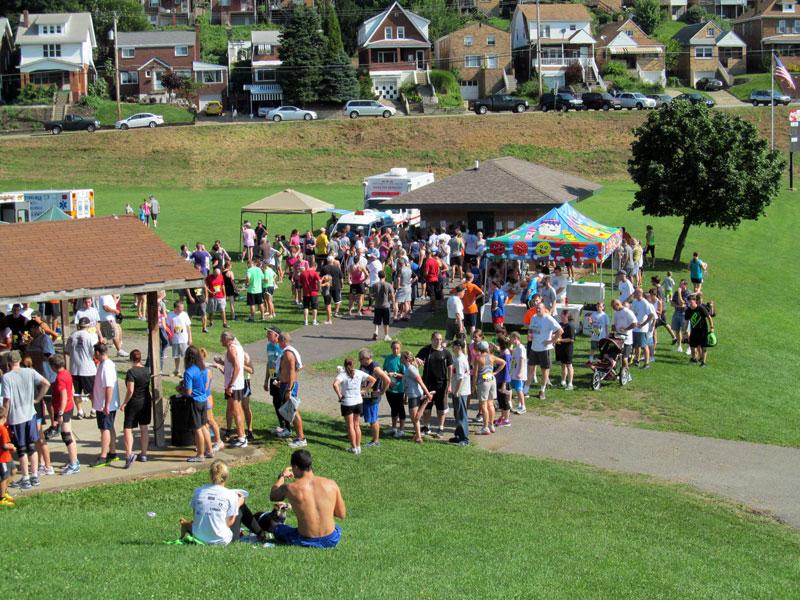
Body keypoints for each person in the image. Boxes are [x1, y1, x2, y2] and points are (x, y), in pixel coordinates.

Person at [269, 450, 346, 548]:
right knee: (337, 527)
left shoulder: (290, 488)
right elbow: (341, 514)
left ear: (296, 467)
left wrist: (282, 476)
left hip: (305, 539)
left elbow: (273, 495)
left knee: (277, 528)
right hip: (330, 539)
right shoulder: (331, 484)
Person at [183, 460, 266, 545]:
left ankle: (260, 533)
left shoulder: (198, 491)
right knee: (241, 507)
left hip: (198, 537)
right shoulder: (230, 495)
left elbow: (196, 516)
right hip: (221, 540)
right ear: (227, 477)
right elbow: (229, 523)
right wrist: (238, 505)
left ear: (211, 475)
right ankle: (260, 533)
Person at [2, 351, 50, 490]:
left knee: (21, 449)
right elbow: (46, 383)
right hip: (30, 414)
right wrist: (37, 399)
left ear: (9, 363)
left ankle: (25, 477)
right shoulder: (30, 372)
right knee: (32, 446)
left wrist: (4, 416)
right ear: (20, 360)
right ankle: (34, 475)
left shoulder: (7, 377)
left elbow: (7, 400)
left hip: (16, 417)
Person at [333, 358, 375, 454]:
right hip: (358, 402)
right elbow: (373, 380)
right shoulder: (359, 373)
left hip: (347, 403)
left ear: (344, 365)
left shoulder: (342, 375)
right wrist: (365, 390)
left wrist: (339, 395)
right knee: (357, 425)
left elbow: (335, 384)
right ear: (354, 365)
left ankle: (353, 448)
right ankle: (358, 447)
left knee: (350, 426)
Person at [46, 354, 79, 475]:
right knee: (69, 433)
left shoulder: (60, 378)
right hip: (69, 407)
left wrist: (60, 413)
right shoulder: (66, 373)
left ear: (53, 366)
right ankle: (73, 459)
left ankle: (74, 464)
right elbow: (72, 390)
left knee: (66, 436)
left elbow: (64, 397)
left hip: (64, 409)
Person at [416, 332, 453, 437]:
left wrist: (449, 384)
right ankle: (426, 426)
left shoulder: (446, 353)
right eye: (436, 339)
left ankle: (441, 428)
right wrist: (417, 360)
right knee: (426, 408)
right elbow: (415, 361)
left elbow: (450, 368)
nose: (439, 341)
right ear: (432, 339)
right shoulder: (426, 350)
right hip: (427, 385)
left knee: (441, 409)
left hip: (441, 386)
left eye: (440, 339)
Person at [119, 350, 152, 468]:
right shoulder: (146, 370)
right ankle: (143, 454)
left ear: (131, 359)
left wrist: (124, 403)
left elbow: (130, 390)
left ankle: (129, 455)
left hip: (133, 403)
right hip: (146, 401)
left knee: (128, 428)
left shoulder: (131, 372)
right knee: (144, 427)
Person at [91, 343, 120, 468]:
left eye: (94, 352)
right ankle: (112, 452)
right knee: (109, 427)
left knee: (105, 429)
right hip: (104, 403)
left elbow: (109, 387)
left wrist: (106, 405)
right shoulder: (105, 364)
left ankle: (103, 456)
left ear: (98, 352)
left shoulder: (106, 366)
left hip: (105, 405)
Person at [527, 302, 563, 401]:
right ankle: (525, 391)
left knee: (544, 371)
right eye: (536, 308)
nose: (537, 310)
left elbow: (560, 331)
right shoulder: (534, 317)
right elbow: (530, 329)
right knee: (530, 369)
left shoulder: (548, 319)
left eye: (539, 308)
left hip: (544, 349)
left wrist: (552, 341)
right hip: (534, 348)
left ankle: (542, 391)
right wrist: (529, 336)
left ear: (544, 309)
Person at [277, 332, 307, 449]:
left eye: (279, 340)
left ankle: (301, 438)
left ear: (283, 341)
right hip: (285, 384)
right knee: (290, 411)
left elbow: (292, 373)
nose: (278, 342)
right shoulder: (286, 353)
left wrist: (289, 389)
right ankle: (296, 435)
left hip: (289, 386)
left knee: (293, 411)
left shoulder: (289, 354)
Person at [357, 348, 391, 448]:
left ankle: (375, 441)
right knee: (358, 414)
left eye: (360, 359)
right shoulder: (364, 365)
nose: (359, 361)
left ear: (367, 358)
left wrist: (382, 391)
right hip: (365, 396)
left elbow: (387, 380)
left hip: (372, 397)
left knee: (373, 420)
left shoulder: (375, 368)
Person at [219, 332, 247, 448]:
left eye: (221, 339)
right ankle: (242, 435)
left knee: (236, 411)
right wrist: (221, 362)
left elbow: (237, 367)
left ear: (226, 340)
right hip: (238, 384)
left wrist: (230, 385)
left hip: (234, 386)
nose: (220, 342)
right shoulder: (238, 347)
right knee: (237, 409)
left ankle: (241, 438)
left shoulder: (231, 349)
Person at [184, 346, 212, 462]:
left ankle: (200, 454)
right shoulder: (202, 368)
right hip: (203, 400)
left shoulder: (189, 372)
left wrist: (182, 389)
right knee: (204, 426)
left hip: (194, 401)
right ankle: (209, 450)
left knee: (197, 429)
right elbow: (206, 385)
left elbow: (188, 392)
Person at [66, 316, 97, 419]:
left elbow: (67, 351)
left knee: (77, 392)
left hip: (75, 368)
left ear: (79, 326)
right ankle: (93, 410)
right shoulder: (91, 336)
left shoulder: (72, 336)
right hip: (88, 368)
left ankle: (79, 411)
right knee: (92, 391)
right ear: (88, 326)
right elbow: (94, 353)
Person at [401, 351, 433, 444]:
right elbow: (407, 383)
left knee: (415, 418)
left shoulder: (411, 369)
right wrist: (405, 396)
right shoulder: (408, 368)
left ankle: (426, 401)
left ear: (406, 359)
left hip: (414, 395)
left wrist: (428, 394)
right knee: (414, 418)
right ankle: (417, 436)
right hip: (411, 394)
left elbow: (420, 381)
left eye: (402, 357)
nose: (400, 359)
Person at [474, 341, 505, 435]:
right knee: (490, 404)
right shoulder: (491, 356)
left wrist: (473, 385)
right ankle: (491, 425)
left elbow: (475, 374)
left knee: (483, 405)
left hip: (483, 381)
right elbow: (503, 362)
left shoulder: (478, 359)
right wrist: (495, 373)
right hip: (492, 380)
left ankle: (485, 427)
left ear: (479, 349)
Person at [382, 341, 406, 438]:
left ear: (400, 348)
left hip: (399, 388)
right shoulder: (388, 358)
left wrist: (395, 374)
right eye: (394, 348)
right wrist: (385, 373)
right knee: (393, 408)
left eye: (397, 348)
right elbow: (384, 369)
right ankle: (394, 427)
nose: (395, 350)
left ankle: (402, 429)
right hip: (389, 388)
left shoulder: (402, 359)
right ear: (391, 348)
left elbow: (405, 375)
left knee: (400, 408)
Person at [685, 294, 714, 367]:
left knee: (704, 347)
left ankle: (703, 362)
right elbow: (686, 322)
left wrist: (712, 327)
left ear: (695, 301)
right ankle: (694, 359)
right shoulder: (688, 310)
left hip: (703, 331)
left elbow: (709, 317)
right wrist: (685, 332)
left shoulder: (701, 308)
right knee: (692, 346)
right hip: (694, 331)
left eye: (691, 303)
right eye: (688, 303)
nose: (690, 304)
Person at [630, 288, 656, 368]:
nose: (634, 294)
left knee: (644, 345)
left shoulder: (645, 303)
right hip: (635, 328)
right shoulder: (634, 301)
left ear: (640, 293)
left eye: (635, 292)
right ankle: (636, 360)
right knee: (637, 345)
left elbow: (651, 315)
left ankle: (646, 363)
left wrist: (644, 323)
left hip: (642, 329)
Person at [611, 299, 637, 373]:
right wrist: (613, 329)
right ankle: (617, 371)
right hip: (618, 338)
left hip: (627, 339)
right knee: (616, 356)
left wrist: (626, 329)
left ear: (618, 305)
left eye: (613, 307)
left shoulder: (627, 312)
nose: (613, 308)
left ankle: (626, 373)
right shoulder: (616, 312)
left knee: (624, 358)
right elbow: (613, 324)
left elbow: (635, 323)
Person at [167, 301, 192, 377]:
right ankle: (177, 370)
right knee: (176, 355)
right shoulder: (170, 315)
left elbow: (188, 327)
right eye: (181, 307)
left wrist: (190, 338)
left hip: (184, 339)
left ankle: (186, 371)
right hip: (175, 339)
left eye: (182, 307)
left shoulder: (184, 314)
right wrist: (169, 338)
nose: (182, 309)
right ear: (176, 308)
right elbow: (168, 327)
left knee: (185, 356)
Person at [370, 270, 394, 341]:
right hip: (386, 305)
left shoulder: (375, 285)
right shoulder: (389, 285)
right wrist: (393, 303)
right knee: (386, 322)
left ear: (378, 276)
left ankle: (376, 331)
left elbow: (371, 295)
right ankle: (386, 335)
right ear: (385, 276)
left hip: (377, 305)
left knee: (377, 320)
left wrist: (373, 300)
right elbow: (392, 295)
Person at [508, 331, 528, 415]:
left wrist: (520, 372)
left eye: (511, 338)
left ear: (515, 338)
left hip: (519, 373)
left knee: (519, 389)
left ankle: (523, 406)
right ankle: (520, 405)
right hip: (514, 372)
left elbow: (522, 359)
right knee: (517, 389)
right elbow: (512, 352)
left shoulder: (521, 348)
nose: (510, 340)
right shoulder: (516, 348)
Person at [555, 311, 575, 390]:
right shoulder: (560, 324)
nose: (561, 316)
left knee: (569, 365)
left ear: (567, 316)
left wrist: (560, 340)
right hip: (560, 348)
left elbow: (571, 339)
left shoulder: (570, 326)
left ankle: (570, 384)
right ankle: (563, 381)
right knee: (563, 364)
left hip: (567, 348)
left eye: (562, 315)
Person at [671, 279, 691, 355]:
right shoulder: (676, 293)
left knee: (686, 332)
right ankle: (679, 346)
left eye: (681, 284)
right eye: (679, 284)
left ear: (685, 285)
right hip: (676, 312)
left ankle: (689, 347)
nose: (679, 286)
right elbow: (672, 303)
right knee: (677, 330)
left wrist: (679, 293)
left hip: (684, 314)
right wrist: (679, 305)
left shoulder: (688, 293)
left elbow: (682, 302)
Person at [298, 262, 321, 327]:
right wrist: (319, 288)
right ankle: (314, 321)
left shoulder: (303, 273)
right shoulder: (315, 273)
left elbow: (300, 283)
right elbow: (319, 281)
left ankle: (306, 321)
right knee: (314, 307)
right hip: (314, 292)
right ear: (315, 266)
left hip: (305, 292)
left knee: (306, 307)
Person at [320, 255, 343, 320]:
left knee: (327, 301)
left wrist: (321, 286)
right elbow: (341, 278)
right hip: (336, 286)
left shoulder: (323, 268)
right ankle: (336, 312)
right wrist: (342, 285)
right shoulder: (337, 268)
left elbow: (321, 278)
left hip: (327, 287)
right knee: (337, 300)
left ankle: (329, 313)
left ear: (327, 261)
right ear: (333, 261)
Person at [0, 406, 15, 505]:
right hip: (3, 458)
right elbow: (5, 445)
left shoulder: (4, 428)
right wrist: (12, 446)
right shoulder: (3, 430)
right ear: (4, 417)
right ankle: (1, 498)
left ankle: (4, 491)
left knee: (13, 471)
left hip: (7, 457)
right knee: (4, 477)